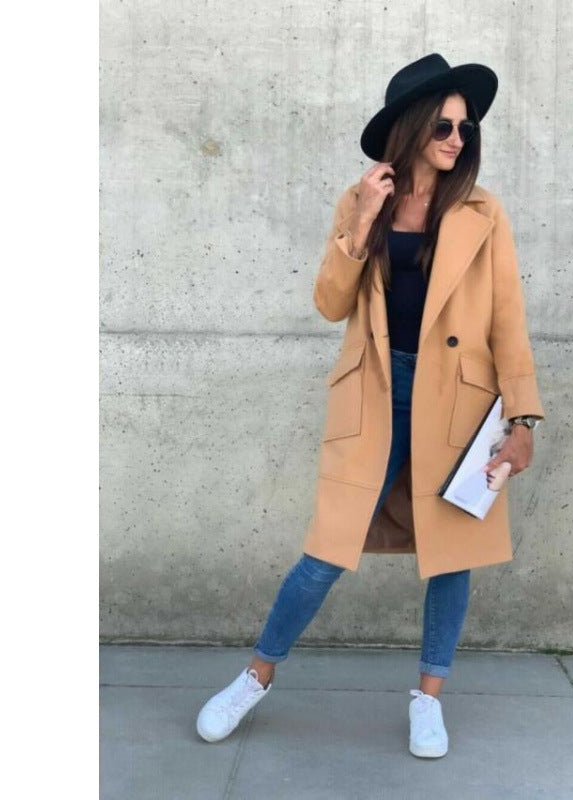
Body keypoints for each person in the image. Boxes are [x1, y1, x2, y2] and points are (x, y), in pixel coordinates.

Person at [196, 53, 545, 758]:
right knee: (325, 552)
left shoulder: (483, 212)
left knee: (450, 556)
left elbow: (508, 319)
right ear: (411, 127)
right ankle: (255, 677)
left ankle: (428, 698)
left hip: (458, 402)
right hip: (377, 394)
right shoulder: (361, 202)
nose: (457, 138)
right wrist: (361, 224)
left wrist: (523, 419)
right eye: (444, 125)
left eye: (466, 127)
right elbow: (330, 304)